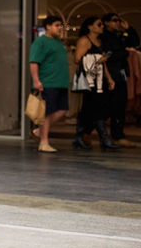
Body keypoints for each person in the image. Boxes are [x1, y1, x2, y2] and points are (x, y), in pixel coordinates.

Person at [72, 15, 118, 151]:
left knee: (95, 109)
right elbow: (77, 59)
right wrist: (97, 61)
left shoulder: (99, 41)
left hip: (100, 78)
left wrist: (109, 78)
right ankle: (103, 138)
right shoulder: (84, 40)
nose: (102, 26)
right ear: (90, 27)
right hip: (89, 80)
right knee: (95, 108)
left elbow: (104, 63)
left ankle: (80, 136)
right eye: (99, 24)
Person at [29, 16, 71, 153]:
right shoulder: (40, 42)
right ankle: (43, 142)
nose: (60, 28)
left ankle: (38, 131)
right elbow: (34, 62)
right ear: (48, 26)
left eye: (61, 26)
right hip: (48, 82)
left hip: (61, 82)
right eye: (57, 25)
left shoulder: (59, 42)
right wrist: (36, 80)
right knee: (47, 113)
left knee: (62, 110)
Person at [102, 13, 139, 147]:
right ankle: (90, 132)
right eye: (114, 20)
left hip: (121, 73)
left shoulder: (119, 35)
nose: (117, 23)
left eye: (118, 20)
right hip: (110, 74)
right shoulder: (104, 36)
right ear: (106, 22)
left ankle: (118, 134)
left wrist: (128, 29)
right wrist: (124, 53)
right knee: (108, 105)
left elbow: (135, 43)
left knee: (120, 104)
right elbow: (108, 54)